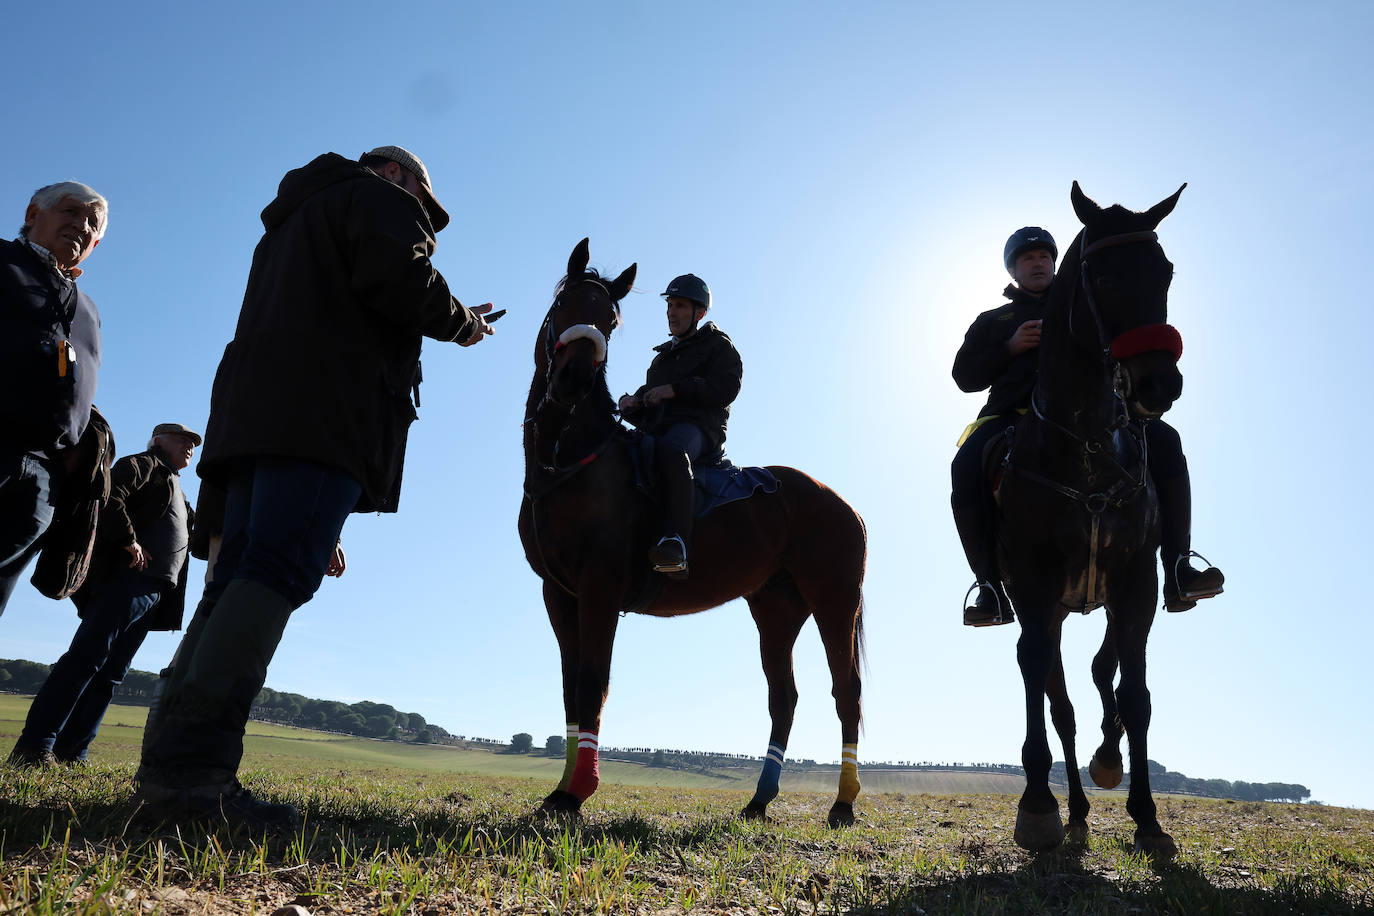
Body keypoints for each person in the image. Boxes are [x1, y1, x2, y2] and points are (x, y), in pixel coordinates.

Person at [133, 145, 495, 829]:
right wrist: (462, 323)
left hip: (255, 420)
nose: (424, 217)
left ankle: (167, 763)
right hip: (323, 417)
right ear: (394, 175)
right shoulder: (379, 199)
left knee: (240, 572)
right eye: (423, 200)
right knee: (278, 571)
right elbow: (400, 280)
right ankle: (193, 779)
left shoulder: (289, 223)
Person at [951, 227, 1224, 627]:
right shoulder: (995, 320)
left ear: (1056, 263)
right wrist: (1009, 347)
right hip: (1012, 416)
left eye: (1045, 257)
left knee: (1166, 439)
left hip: (1097, 416)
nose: (1038, 263)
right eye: (1028, 259)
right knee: (965, 465)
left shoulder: (1086, 304)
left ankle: (1179, 567)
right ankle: (988, 587)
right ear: (1013, 270)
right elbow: (964, 377)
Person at [8, 424, 198, 767]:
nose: (189, 446)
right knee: (85, 660)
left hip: (154, 592)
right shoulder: (144, 464)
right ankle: (35, 746)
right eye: (182, 439)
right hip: (129, 580)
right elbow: (111, 494)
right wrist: (129, 539)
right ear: (157, 441)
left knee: (111, 674)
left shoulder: (177, 487)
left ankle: (72, 753)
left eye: (193, 443)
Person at [1, 182, 108, 617]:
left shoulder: (89, 309)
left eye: (92, 223)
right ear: (32, 214)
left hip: (44, 477)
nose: (81, 226)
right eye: (71, 212)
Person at [618, 274, 742, 577]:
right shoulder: (661, 358)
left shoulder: (718, 345)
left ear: (699, 313)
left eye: (681, 306)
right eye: (670, 305)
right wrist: (633, 403)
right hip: (661, 429)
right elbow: (651, 402)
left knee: (673, 450)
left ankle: (676, 542)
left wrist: (676, 389)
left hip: (700, 430)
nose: (672, 312)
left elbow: (726, 388)